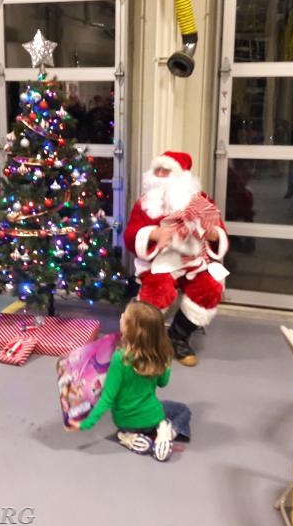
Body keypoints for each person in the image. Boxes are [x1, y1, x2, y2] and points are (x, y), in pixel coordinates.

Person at [124, 151, 229, 367]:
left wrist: (213, 235)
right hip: (157, 263)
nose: (161, 175)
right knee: (158, 290)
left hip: (192, 262)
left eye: (167, 170)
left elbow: (219, 232)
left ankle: (177, 337)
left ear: (182, 176)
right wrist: (153, 234)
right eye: (157, 170)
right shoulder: (144, 204)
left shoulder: (200, 201)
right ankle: (145, 342)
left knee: (210, 289)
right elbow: (130, 236)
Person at [66, 301, 191, 462]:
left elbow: (107, 398)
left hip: (125, 422)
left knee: (137, 415)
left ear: (132, 329)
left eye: (124, 317)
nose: (121, 317)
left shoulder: (120, 358)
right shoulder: (163, 354)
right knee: (184, 410)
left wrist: (85, 423)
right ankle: (165, 433)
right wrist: (165, 363)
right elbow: (162, 383)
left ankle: (128, 438)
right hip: (153, 418)